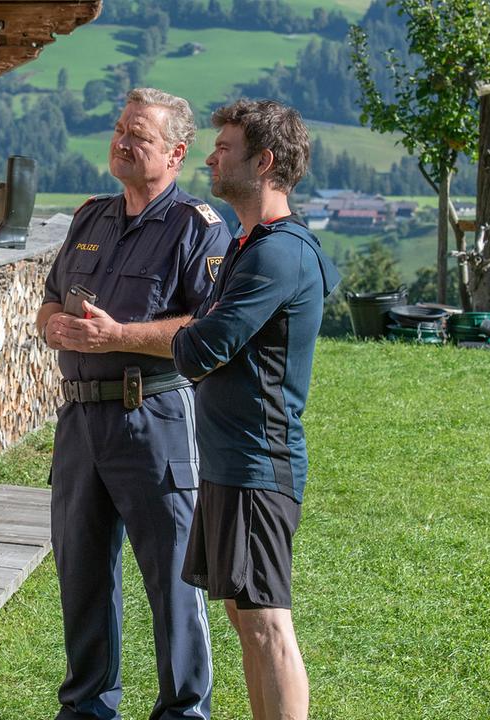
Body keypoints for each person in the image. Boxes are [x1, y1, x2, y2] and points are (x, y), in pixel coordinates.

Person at [37, 88, 232, 720]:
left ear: (176, 153)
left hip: (152, 418)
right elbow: (48, 298)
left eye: (139, 135)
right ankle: (88, 706)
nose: (122, 141)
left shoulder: (198, 229)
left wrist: (116, 336)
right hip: (81, 422)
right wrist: (54, 326)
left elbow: (207, 332)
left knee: (175, 576)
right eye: (121, 128)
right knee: (82, 573)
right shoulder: (90, 217)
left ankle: (183, 711)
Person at [173, 99, 340, 720]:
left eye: (225, 147)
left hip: (257, 465)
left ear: (264, 161)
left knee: (268, 622)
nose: (210, 157)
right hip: (228, 462)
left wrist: (187, 334)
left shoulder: (278, 253)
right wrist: (196, 331)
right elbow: (205, 335)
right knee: (246, 618)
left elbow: (205, 346)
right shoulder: (250, 244)